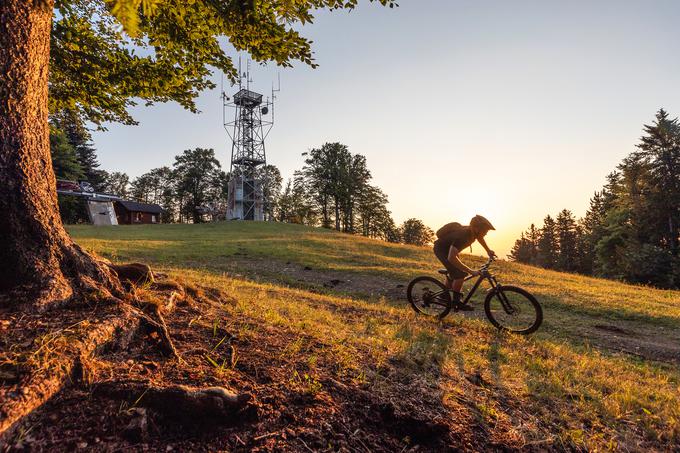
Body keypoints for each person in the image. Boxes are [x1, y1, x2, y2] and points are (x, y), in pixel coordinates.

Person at [433, 215, 497, 310]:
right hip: (441, 250)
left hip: (449, 250)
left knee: (454, 272)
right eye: (485, 231)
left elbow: (480, 238)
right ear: (477, 228)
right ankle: (456, 302)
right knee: (460, 274)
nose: (486, 233)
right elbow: (451, 258)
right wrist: (471, 271)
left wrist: (488, 250)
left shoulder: (473, 232)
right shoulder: (463, 236)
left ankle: (443, 296)